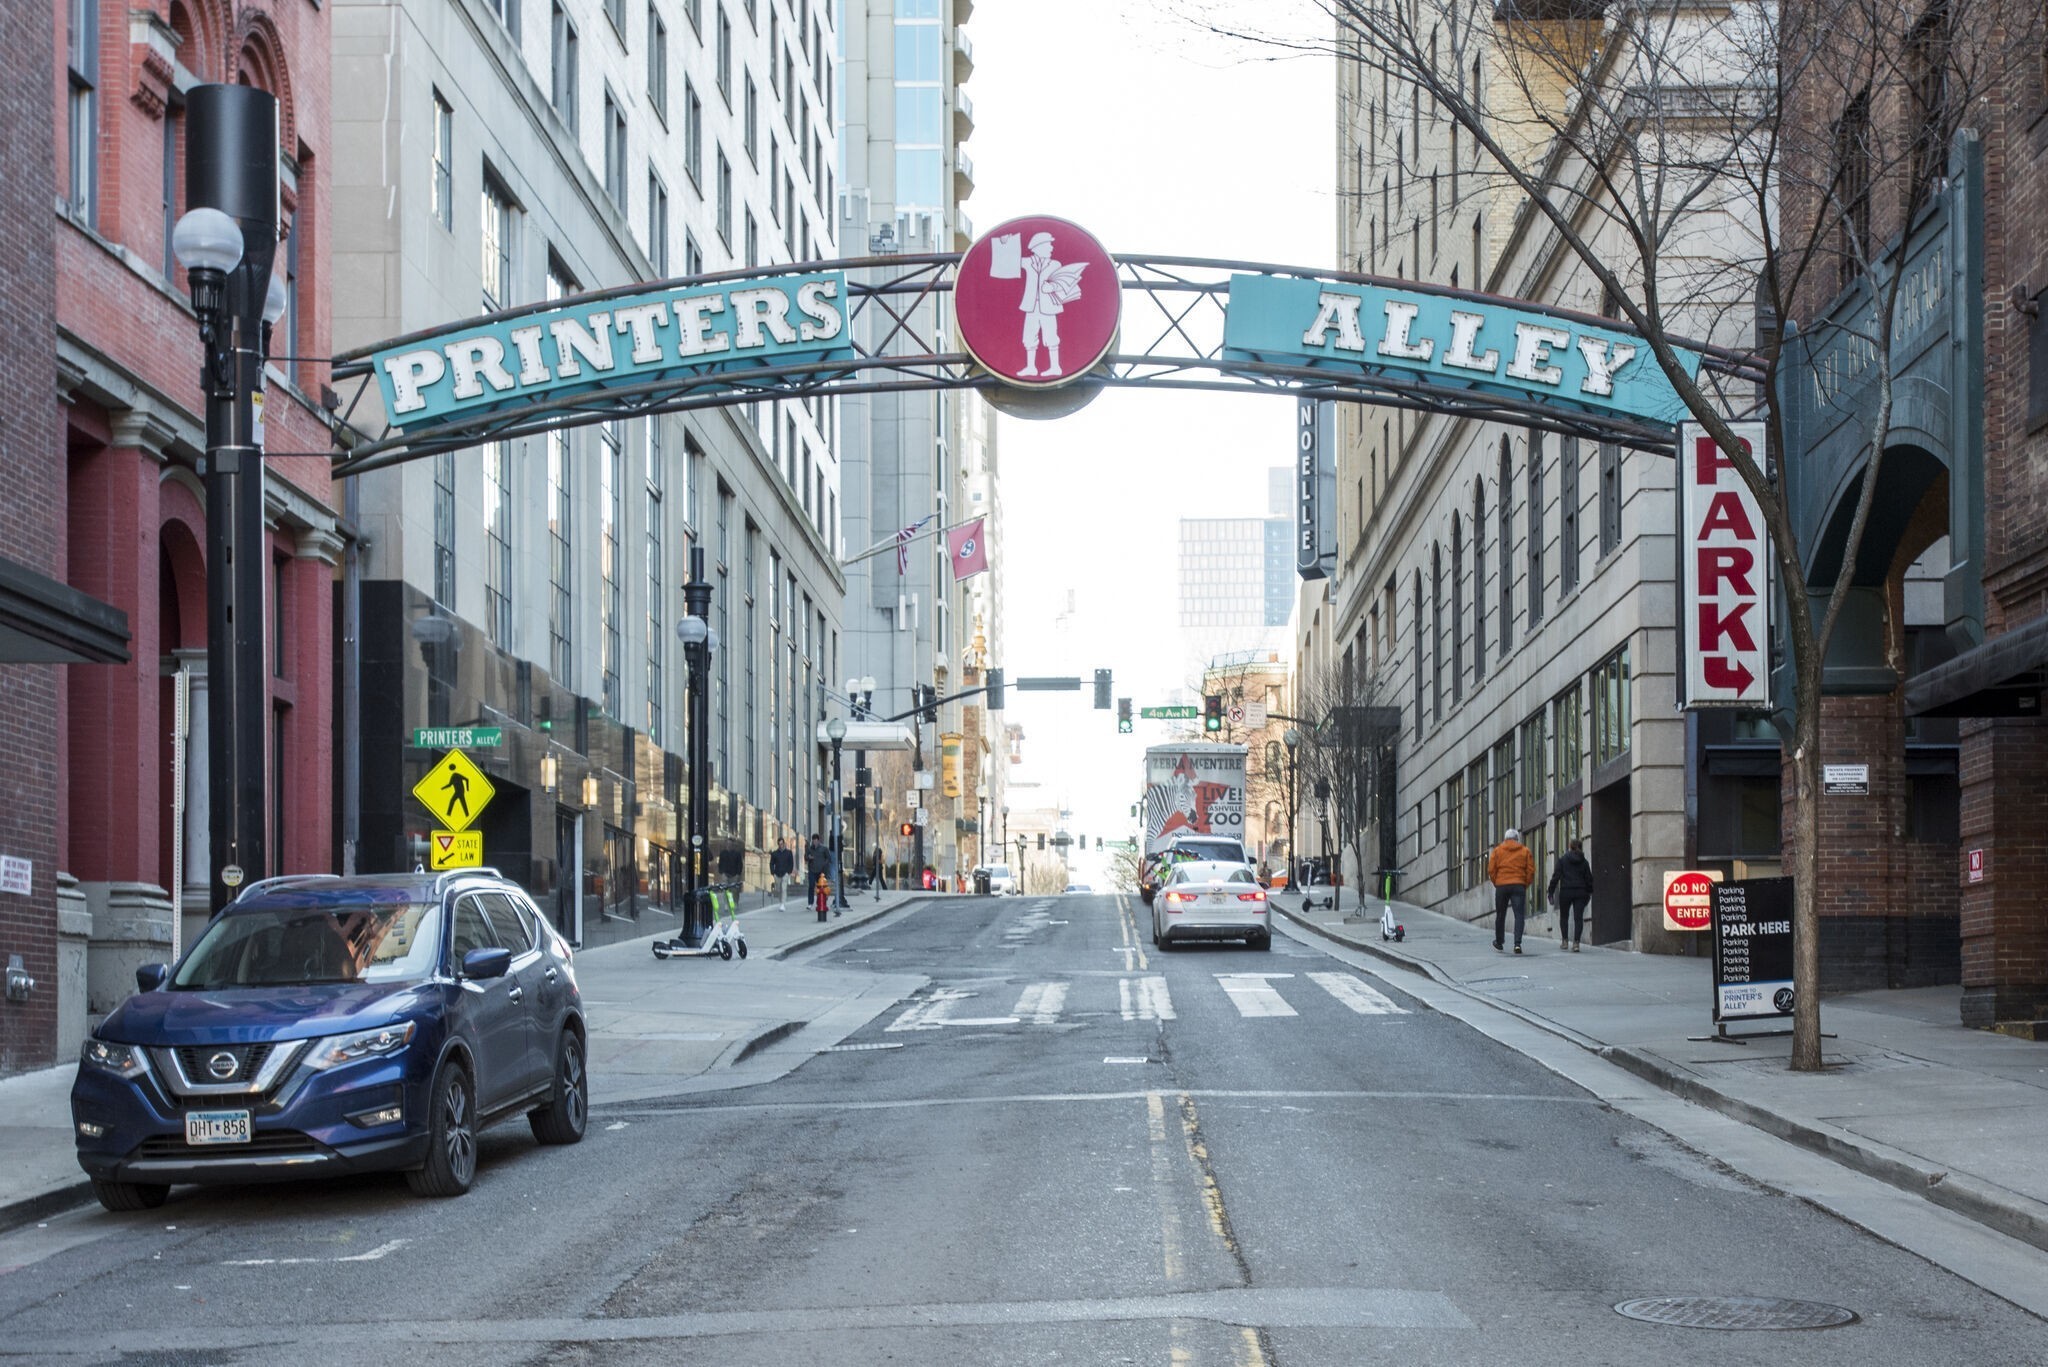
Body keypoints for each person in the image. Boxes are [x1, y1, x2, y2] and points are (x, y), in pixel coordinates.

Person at [1487, 827, 1535, 953]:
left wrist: (1496, 882)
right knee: (1519, 915)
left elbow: (1491, 870)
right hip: (1518, 885)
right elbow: (1530, 870)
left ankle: (1499, 941)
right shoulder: (1525, 851)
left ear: (1505, 839)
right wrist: (1525, 884)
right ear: (1517, 839)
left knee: (1500, 914)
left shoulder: (1497, 851)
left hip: (1502, 885)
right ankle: (1517, 944)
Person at [1547, 838, 1594, 952]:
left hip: (1566, 891)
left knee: (1564, 917)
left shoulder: (1563, 860)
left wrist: (1551, 891)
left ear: (1570, 846)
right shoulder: (1584, 862)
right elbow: (1589, 879)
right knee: (1578, 918)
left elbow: (1556, 877)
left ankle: (1564, 941)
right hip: (1580, 892)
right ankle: (1576, 943)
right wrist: (1589, 892)